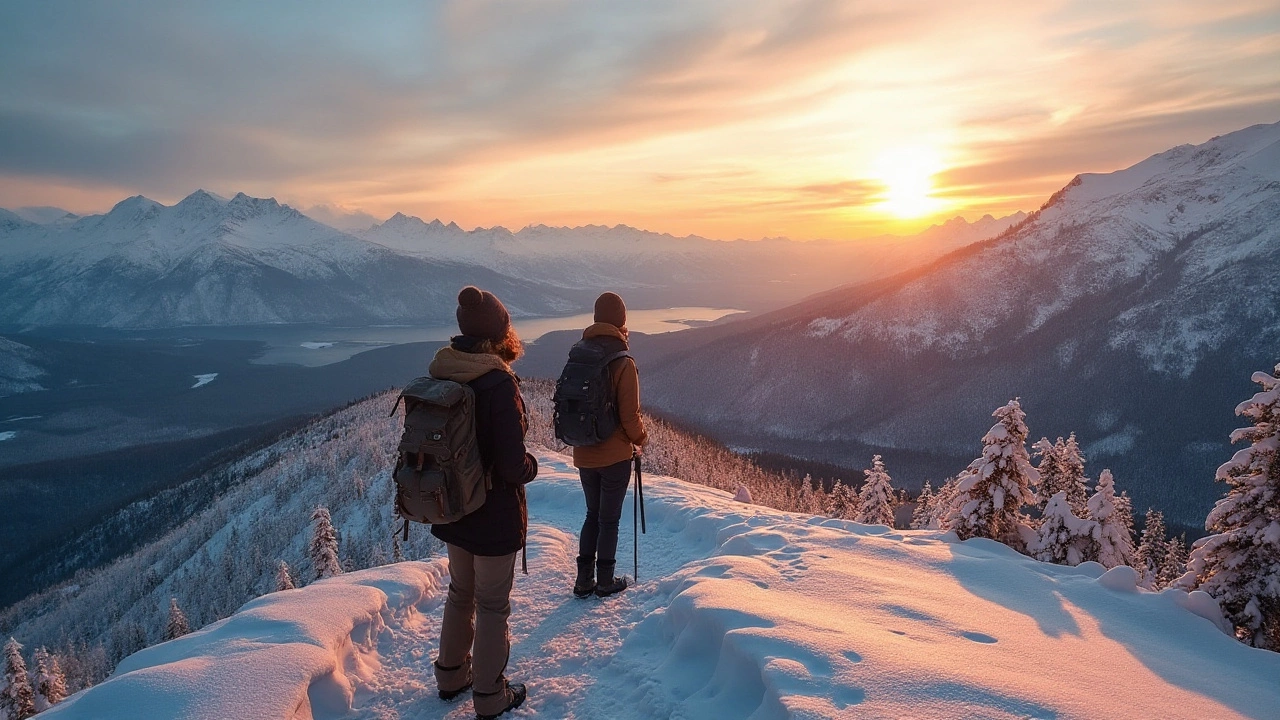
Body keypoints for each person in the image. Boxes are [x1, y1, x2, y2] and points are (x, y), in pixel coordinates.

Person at [429, 286, 537, 719]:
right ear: (499, 335)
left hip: (452, 506)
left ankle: (451, 675)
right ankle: (491, 696)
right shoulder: (497, 382)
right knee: (492, 603)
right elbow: (512, 465)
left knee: (460, 592)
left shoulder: (444, 372)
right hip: (492, 514)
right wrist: (530, 466)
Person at [572, 292, 649, 598]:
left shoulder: (579, 353)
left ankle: (583, 581)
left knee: (592, 515)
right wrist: (641, 439)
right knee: (609, 519)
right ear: (622, 320)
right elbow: (630, 417)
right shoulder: (622, 361)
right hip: (615, 455)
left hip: (583, 451)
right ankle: (605, 580)